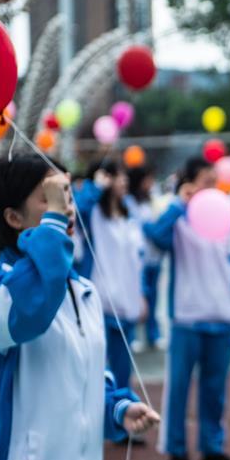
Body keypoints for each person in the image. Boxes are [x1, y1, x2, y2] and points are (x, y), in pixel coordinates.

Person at [0, 155, 159, 460]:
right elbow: (31, 311)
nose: (66, 208)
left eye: (67, 196)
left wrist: (116, 407)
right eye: (50, 197)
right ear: (13, 218)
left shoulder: (82, 291)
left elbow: (83, 375)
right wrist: (54, 224)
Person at [144, 156, 230, 460]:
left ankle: (212, 447)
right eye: (206, 179)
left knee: (214, 389)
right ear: (190, 182)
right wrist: (180, 205)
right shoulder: (177, 217)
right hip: (188, 318)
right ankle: (176, 449)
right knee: (178, 388)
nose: (212, 186)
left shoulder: (226, 214)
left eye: (214, 179)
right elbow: (155, 236)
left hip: (223, 316)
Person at [75, 161, 145, 391]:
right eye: (116, 176)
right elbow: (78, 208)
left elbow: (136, 260)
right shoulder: (93, 213)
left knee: (123, 373)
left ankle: (121, 422)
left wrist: (142, 294)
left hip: (126, 302)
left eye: (124, 176)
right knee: (98, 373)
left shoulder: (128, 215)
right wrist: (95, 186)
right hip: (100, 304)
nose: (123, 181)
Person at [127, 165, 166, 351]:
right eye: (146, 180)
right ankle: (133, 334)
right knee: (137, 295)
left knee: (153, 298)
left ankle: (153, 334)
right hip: (137, 260)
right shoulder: (128, 202)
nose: (150, 184)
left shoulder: (151, 201)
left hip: (154, 258)